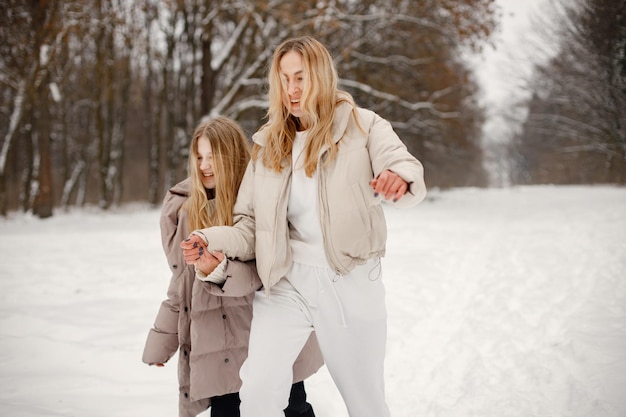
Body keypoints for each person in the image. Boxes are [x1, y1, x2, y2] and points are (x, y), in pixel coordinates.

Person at [181, 36, 427, 417]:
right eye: (284, 79)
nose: (292, 90)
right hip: (287, 282)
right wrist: (208, 237)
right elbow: (249, 226)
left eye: (300, 78)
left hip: (349, 281)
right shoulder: (268, 146)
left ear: (321, 77)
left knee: (366, 403)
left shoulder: (363, 126)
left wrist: (398, 178)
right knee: (259, 391)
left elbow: (403, 164)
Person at [142, 116, 323, 417]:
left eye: (213, 157)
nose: (204, 166)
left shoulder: (258, 202)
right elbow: (182, 284)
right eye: (199, 157)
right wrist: (161, 342)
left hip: (266, 336)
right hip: (219, 350)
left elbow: (267, 271)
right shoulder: (188, 210)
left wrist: (219, 269)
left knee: (293, 409)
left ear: (233, 156)